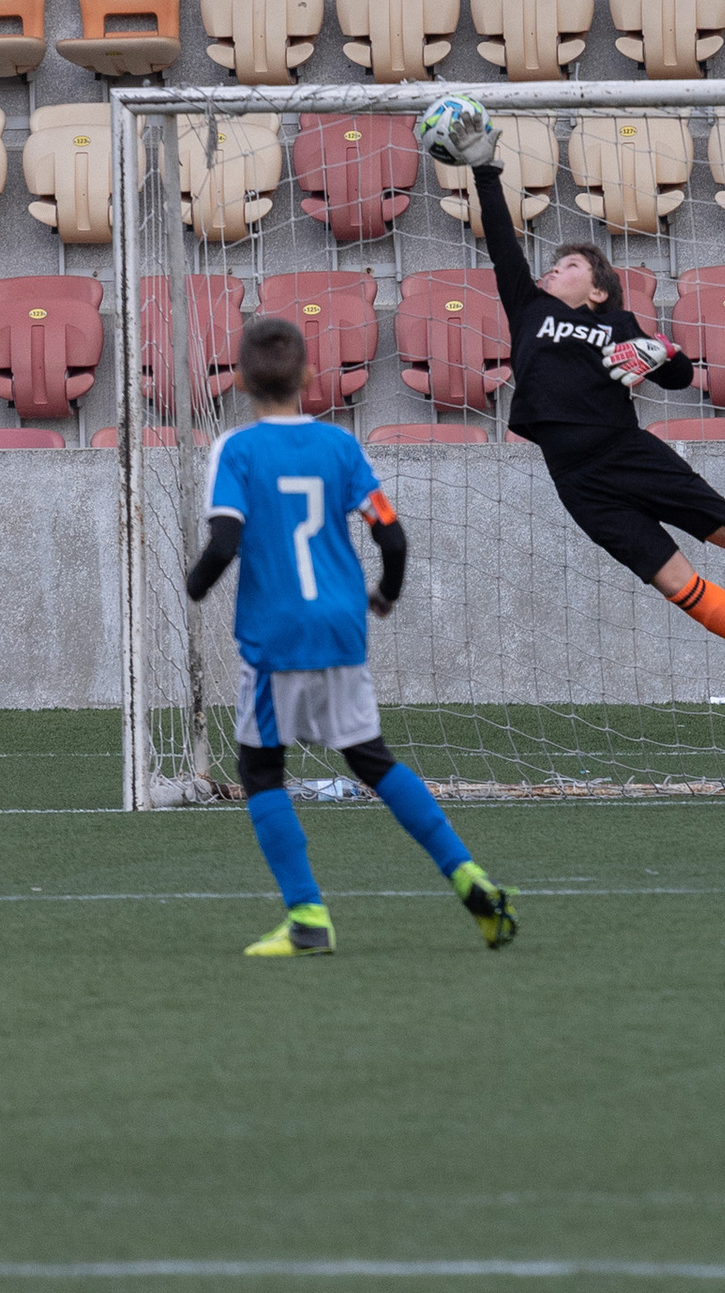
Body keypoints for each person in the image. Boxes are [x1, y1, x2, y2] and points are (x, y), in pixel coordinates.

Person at [418, 92, 725, 671]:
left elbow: (682, 377)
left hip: (627, 452)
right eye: (553, 265)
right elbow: (503, 243)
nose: (552, 269)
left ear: (598, 291)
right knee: (675, 583)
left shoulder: (619, 324)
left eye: (569, 267)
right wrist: (486, 169)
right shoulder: (529, 307)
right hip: (576, 479)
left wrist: (659, 350)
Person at [185, 309, 517, 961]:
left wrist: (194, 586)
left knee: (260, 769)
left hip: (275, 634)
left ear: (243, 382)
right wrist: (386, 594)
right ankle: (466, 874)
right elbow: (391, 535)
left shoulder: (237, 450)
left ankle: (308, 915)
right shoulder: (343, 447)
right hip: (341, 623)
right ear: (309, 375)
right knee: (371, 759)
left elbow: (224, 540)